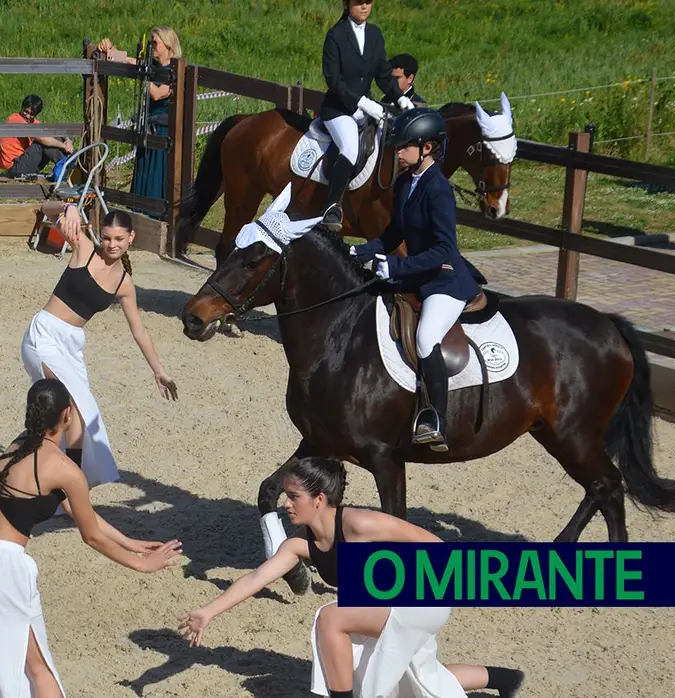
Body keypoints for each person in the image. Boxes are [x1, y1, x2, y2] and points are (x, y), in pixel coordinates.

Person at [0, 378, 183, 697]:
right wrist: (142, 565)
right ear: (66, 414)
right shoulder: (65, 471)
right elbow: (90, 536)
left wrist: (130, 542)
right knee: (38, 670)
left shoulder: (16, 445)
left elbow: (80, 514)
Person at [178, 456, 527, 698]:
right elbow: (255, 579)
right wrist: (208, 611)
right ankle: (502, 677)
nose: (285, 503)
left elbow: (435, 545)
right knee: (415, 681)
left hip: (419, 597)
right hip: (380, 607)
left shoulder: (360, 523)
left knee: (330, 617)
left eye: (293, 496)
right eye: (285, 495)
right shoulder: (298, 544)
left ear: (319, 500)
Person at [348, 108, 481, 451]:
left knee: (425, 338)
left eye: (404, 146)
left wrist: (394, 268)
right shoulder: (406, 181)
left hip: (444, 281)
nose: (398, 151)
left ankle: (437, 418)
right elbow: (394, 233)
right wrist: (363, 251)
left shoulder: (438, 189)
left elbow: (443, 250)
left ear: (427, 148)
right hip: (417, 274)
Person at [21, 203, 178, 492]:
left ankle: (56, 474)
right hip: (43, 335)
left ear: (131, 238)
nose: (111, 244)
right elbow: (45, 208)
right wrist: (68, 207)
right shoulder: (83, 248)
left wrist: (159, 371)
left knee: (84, 416)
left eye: (119, 239)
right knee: (72, 412)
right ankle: (68, 486)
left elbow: (139, 330)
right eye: (106, 237)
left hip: (71, 346)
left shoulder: (124, 284)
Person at [318, 0, 413, 232]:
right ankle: (331, 207)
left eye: (368, 2)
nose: (364, 7)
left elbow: (382, 75)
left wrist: (400, 98)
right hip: (339, 110)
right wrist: (361, 102)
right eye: (359, 2)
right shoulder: (336, 36)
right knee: (350, 148)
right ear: (346, 4)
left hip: (367, 108)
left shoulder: (375, 34)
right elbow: (333, 80)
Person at [97, 27, 182, 216]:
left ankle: (156, 214)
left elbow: (159, 94)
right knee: (144, 169)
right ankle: (140, 211)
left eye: (155, 42)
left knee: (157, 173)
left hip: (163, 130)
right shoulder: (150, 65)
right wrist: (109, 48)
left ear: (167, 45)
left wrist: (143, 74)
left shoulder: (176, 70)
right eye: (150, 42)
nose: (151, 46)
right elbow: (126, 60)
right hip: (148, 126)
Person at [0, 95, 74, 180]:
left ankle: (69, 161)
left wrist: (68, 140)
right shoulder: (15, 119)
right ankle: (70, 163)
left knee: (53, 137)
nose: (27, 116)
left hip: (24, 162)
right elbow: (42, 139)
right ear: (22, 107)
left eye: (31, 114)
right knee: (42, 142)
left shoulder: (31, 122)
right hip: (15, 167)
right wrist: (64, 146)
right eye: (26, 111)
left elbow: (54, 131)